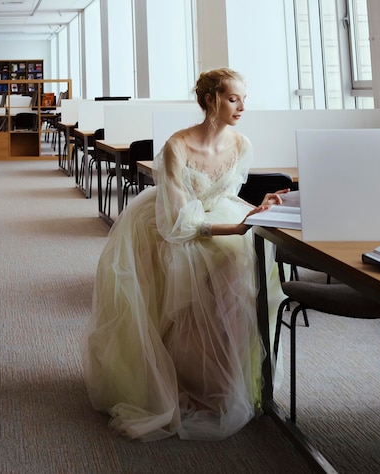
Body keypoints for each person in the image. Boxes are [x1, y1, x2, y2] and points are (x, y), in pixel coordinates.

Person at [82, 68, 287, 442]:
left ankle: (224, 381)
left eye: (244, 99)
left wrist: (255, 211)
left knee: (247, 265)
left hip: (220, 220)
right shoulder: (177, 145)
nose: (241, 107)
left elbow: (225, 198)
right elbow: (178, 223)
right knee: (206, 266)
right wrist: (236, 228)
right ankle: (187, 379)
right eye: (232, 99)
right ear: (211, 100)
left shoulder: (242, 144)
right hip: (173, 226)